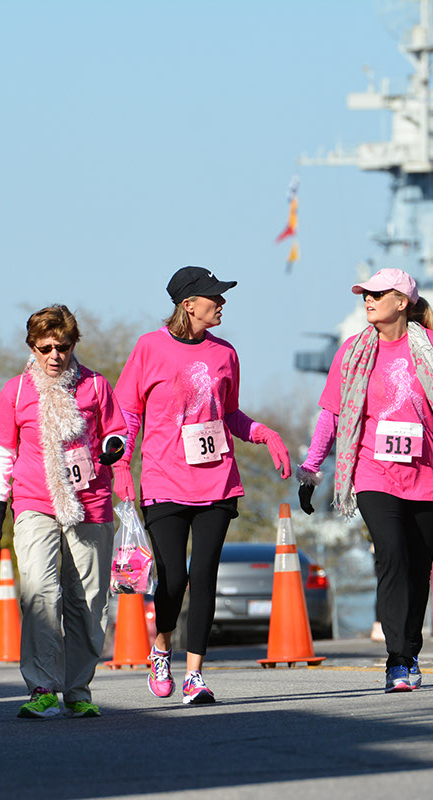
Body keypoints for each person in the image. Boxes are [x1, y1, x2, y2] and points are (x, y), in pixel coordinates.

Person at [297, 268, 433, 692]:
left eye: (377, 294)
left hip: (428, 473)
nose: (367, 300)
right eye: (364, 294)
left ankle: (412, 650)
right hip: (373, 472)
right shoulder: (352, 351)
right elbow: (331, 413)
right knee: (391, 558)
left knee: (419, 569)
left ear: (402, 301)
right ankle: (395, 661)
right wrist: (312, 469)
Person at [114, 267, 292, 704]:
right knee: (173, 578)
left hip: (217, 481)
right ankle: (161, 648)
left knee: (206, 576)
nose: (223, 303)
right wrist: (121, 464)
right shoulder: (149, 348)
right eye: (215, 296)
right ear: (188, 304)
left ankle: (195, 675)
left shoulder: (225, 354)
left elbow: (229, 415)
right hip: (164, 480)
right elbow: (128, 414)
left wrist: (264, 433)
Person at [0, 305, 127, 718]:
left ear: (72, 345)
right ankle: (42, 686)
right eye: (45, 347)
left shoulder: (96, 386)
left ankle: (78, 688)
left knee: (88, 599)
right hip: (33, 500)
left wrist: (113, 447)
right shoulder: (16, 391)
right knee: (40, 593)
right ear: (32, 347)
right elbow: (0, 449)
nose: (54, 356)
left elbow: (116, 431)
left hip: (90, 501)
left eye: (62, 347)